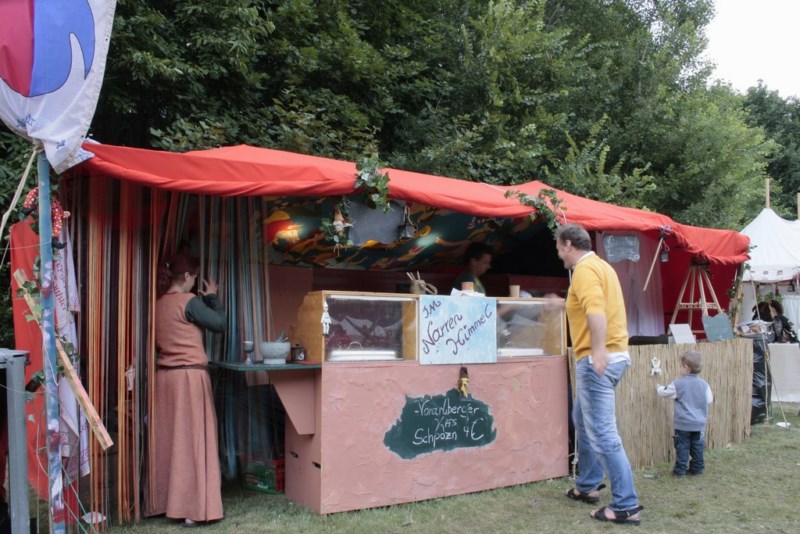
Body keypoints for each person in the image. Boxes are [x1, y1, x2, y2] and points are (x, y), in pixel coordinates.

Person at [547, 223, 642, 526]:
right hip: (615, 356)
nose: (559, 254)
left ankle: (626, 505)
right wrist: (563, 304)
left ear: (568, 245)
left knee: (602, 433)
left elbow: (596, 310)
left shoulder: (584, 271)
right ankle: (587, 485)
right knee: (582, 420)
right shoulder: (601, 267)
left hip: (597, 360)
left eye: (559, 248)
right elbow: (589, 305)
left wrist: (598, 350)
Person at [146, 251, 226, 527]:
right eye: (195, 277)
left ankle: (164, 503)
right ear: (188, 276)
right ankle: (193, 508)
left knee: (170, 443)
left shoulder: (158, 303)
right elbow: (219, 324)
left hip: (165, 380)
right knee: (193, 442)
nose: (195, 283)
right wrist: (212, 297)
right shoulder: (188, 302)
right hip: (189, 379)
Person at [656, 350, 713, 477]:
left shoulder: (678, 384)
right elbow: (709, 399)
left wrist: (658, 388)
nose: (680, 367)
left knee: (682, 447)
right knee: (697, 447)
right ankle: (697, 468)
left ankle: (680, 470)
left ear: (686, 368)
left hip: (683, 424)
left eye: (681, 365)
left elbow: (665, 392)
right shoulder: (704, 385)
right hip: (699, 424)